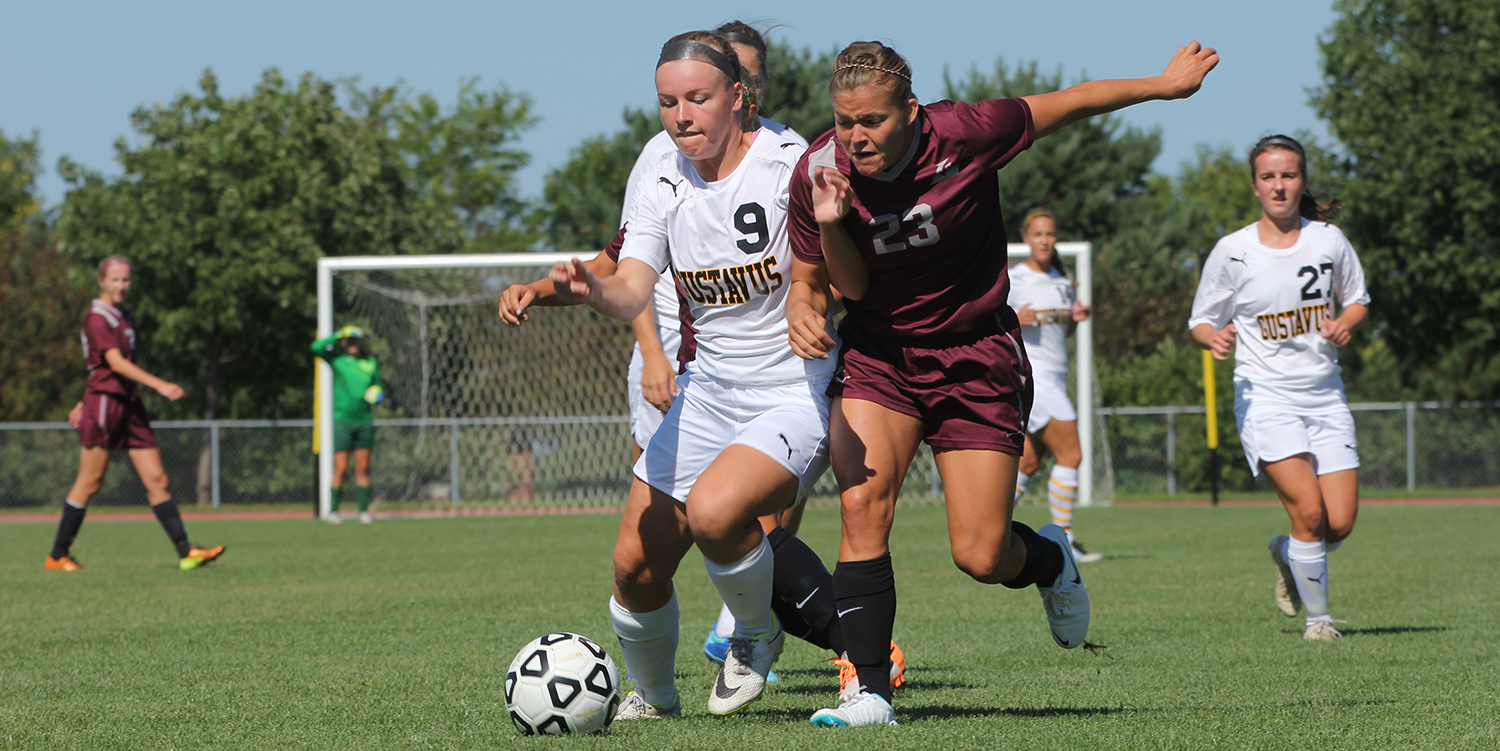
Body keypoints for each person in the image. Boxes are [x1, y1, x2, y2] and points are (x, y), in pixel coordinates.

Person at [787, 40, 1217, 726]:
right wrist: (808, 298)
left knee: (981, 554)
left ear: (912, 112)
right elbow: (835, 285)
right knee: (863, 505)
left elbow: (1070, 104)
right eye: (843, 122)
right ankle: (867, 690)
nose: (855, 137)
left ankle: (1050, 559)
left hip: (975, 355)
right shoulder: (817, 172)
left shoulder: (966, 133)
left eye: (871, 121)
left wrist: (1161, 87)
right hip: (880, 355)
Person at [499, 23, 904, 697]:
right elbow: (632, 285)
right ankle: (655, 699)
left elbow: (832, 269)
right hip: (707, 390)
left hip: (789, 391)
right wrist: (587, 288)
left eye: (697, 98)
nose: (681, 115)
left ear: (738, 96)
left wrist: (809, 301)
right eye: (667, 102)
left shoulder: (787, 163)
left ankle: (758, 630)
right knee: (635, 563)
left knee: (718, 513)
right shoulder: (657, 165)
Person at [1188, 134, 1368, 641]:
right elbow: (1200, 320)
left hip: (1325, 395)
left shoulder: (1328, 240)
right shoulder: (1234, 251)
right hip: (1265, 397)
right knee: (1309, 512)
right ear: (1254, 186)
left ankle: (1285, 552)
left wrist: (1346, 322)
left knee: (1339, 523)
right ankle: (1320, 622)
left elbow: (1357, 299)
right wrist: (1213, 337)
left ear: (1302, 181)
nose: (1279, 185)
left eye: (1288, 175)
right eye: (1268, 176)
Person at [46, 256, 226, 571]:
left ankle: (186, 552)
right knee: (90, 481)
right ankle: (58, 554)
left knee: (158, 478)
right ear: (101, 280)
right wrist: (160, 385)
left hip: (130, 404)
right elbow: (112, 364)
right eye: (115, 279)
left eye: (126, 279)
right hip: (105, 403)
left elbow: (101, 367)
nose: (121, 286)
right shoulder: (97, 316)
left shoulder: (123, 315)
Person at [1008, 209, 1101, 563]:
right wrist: (1015, 318)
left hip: (1057, 375)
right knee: (1072, 455)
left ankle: (988, 524)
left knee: (1028, 463)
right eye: (1038, 234)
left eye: (1050, 234)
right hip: (1035, 377)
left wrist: (1075, 320)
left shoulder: (1064, 280)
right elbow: (989, 321)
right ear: (1026, 238)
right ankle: (1066, 541)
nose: (1045, 240)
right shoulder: (1016, 278)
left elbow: (1062, 333)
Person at [312, 326, 384, 524]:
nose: (352, 344)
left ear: (361, 342)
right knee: (341, 468)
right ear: (344, 343)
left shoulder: (370, 362)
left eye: (355, 340)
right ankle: (333, 511)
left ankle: (363, 512)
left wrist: (377, 393)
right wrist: (338, 335)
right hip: (343, 421)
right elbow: (316, 347)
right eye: (348, 341)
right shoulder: (337, 359)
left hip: (364, 421)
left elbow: (377, 385)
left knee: (362, 468)